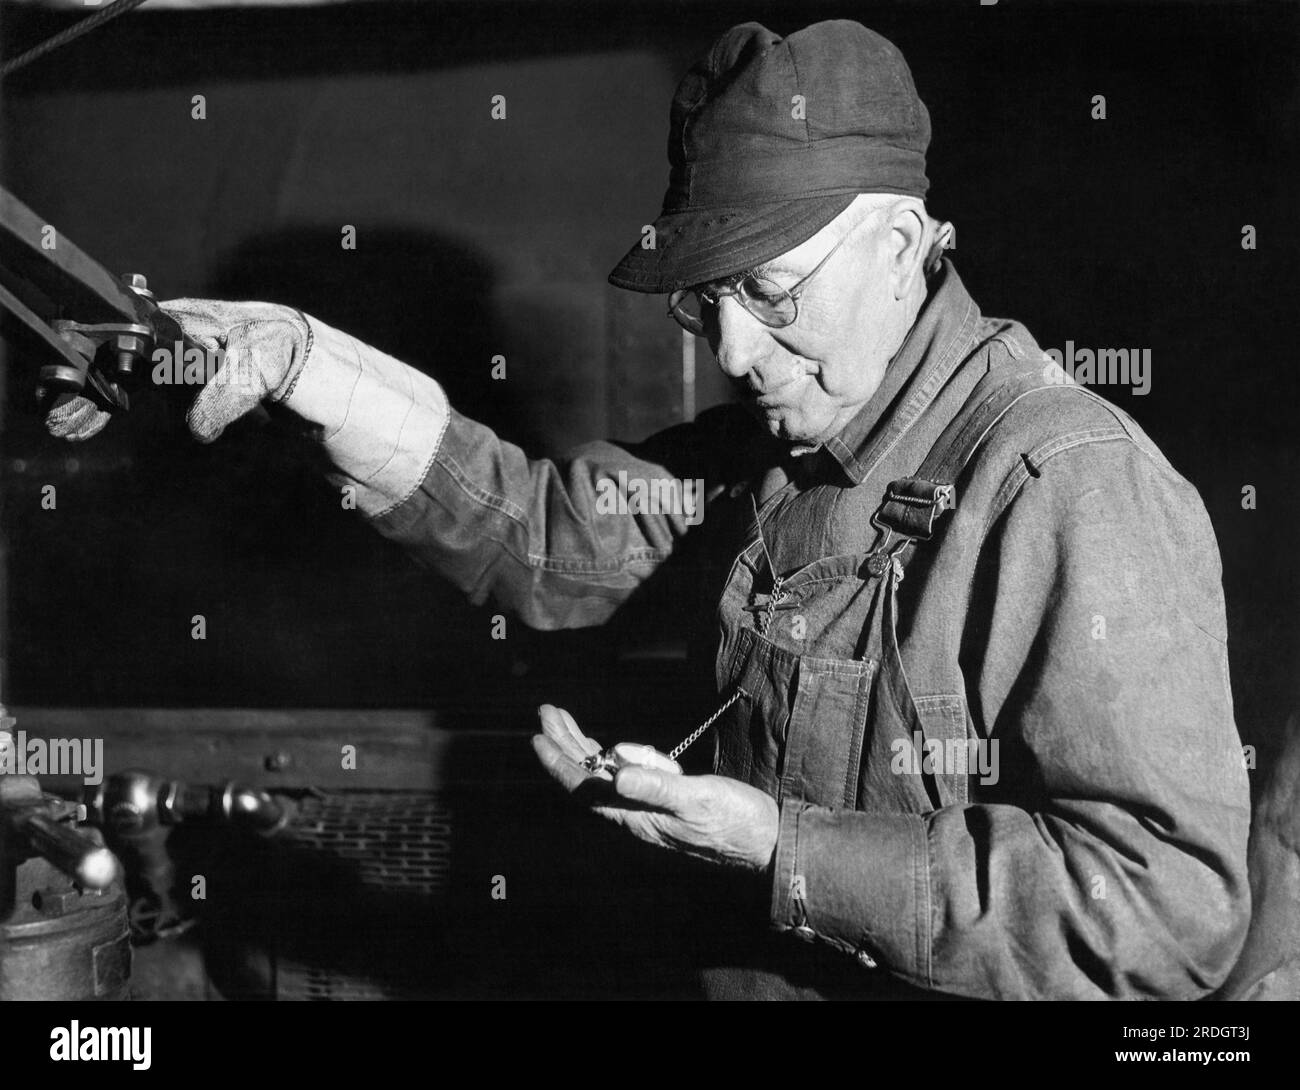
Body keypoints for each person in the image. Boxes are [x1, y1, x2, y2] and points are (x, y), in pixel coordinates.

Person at [47, 19, 1251, 1000]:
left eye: (771, 293)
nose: (732, 346)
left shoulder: (1068, 484)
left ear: (900, 246)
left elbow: (1164, 912)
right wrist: (312, 366)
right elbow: (541, 539)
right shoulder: (781, 444)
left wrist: (786, 850)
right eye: (706, 301)